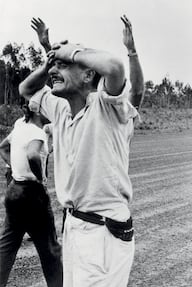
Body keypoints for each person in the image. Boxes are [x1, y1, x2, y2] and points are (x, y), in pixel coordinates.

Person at [21, 16, 144, 286]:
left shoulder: (106, 106)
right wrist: (49, 60)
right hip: (75, 224)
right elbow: (26, 89)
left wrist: (68, 51)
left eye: (64, 66)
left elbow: (114, 68)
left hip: (103, 230)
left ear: (88, 74)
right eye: (56, 66)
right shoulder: (60, 108)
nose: (55, 71)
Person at [0, 105, 63, 287]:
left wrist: (15, 167)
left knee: (7, 246)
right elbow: (33, 154)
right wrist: (40, 177)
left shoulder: (20, 125)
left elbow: (3, 147)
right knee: (50, 250)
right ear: (37, 110)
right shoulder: (38, 132)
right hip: (32, 195)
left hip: (14, 190)